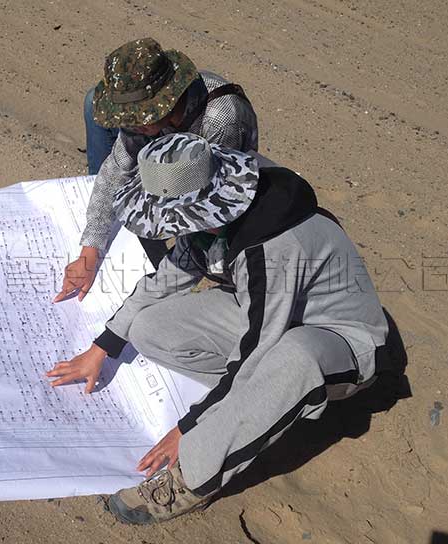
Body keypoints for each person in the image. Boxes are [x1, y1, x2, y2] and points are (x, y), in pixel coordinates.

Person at [46, 133, 392, 524]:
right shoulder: (212, 222)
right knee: (150, 327)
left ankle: (193, 478)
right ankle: (262, 401)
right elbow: (166, 280)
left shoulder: (272, 247)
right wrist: (103, 347)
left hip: (339, 340)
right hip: (270, 313)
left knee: (293, 357)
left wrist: (189, 427)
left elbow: (258, 347)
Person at [54, 37, 258, 303]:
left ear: (169, 100)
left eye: (140, 117)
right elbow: (116, 169)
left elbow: (211, 205)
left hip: (217, 180)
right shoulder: (145, 122)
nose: (133, 125)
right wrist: (89, 251)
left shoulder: (219, 120)